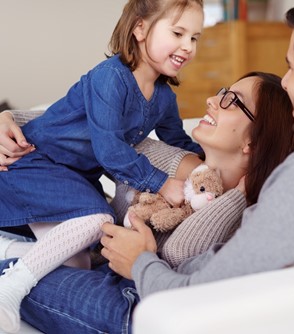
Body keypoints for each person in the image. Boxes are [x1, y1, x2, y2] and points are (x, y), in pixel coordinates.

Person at [1, 0, 294, 332]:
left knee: (28, 269)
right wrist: (13, 120)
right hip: (157, 281)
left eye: (291, 67)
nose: (287, 84)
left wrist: (141, 261)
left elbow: (199, 291)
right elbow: (115, 133)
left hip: (157, 305)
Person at [0, 70, 294, 333]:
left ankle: (13, 258)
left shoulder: (245, 208)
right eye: (222, 92)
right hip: (104, 252)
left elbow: (178, 253)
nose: (212, 100)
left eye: (232, 101)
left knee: (53, 274)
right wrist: (12, 118)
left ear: (253, 141)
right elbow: (102, 131)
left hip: (142, 289)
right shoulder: (180, 161)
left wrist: (237, 196)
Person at [0, 0, 206, 332]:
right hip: (36, 162)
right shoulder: (110, 78)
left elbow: (176, 141)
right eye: (178, 32)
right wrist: (161, 183)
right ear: (140, 29)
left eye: (195, 37)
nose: (188, 46)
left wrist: (209, 164)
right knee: (98, 219)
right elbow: (110, 149)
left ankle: (8, 250)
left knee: (77, 263)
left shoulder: (164, 96)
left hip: (71, 177)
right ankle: (8, 289)